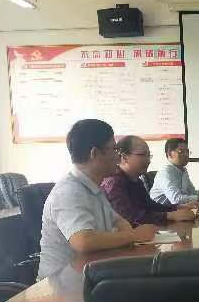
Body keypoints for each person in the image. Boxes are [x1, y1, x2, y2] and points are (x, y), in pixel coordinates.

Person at [38, 119, 158, 280]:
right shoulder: (68, 191)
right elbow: (83, 241)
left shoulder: (94, 186)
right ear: (94, 153)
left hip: (93, 275)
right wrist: (134, 236)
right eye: (114, 149)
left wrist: (128, 233)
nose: (118, 156)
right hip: (61, 285)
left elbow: (119, 221)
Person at [101, 135, 197, 226]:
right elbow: (129, 217)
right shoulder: (114, 182)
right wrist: (169, 215)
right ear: (124, 158)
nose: (148, 161)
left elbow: (151, 206)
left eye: (148, 155)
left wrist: (178, 207)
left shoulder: (136, 180)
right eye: (143, 155)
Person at [150, 138, 199, 205]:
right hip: (158, 212)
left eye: (187, 152)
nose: (186, 155)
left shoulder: (183, 170)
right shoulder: (165, 172)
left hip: (175, 210)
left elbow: (192, 192)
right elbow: (176, 199)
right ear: (169, 154)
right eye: (181, 152)